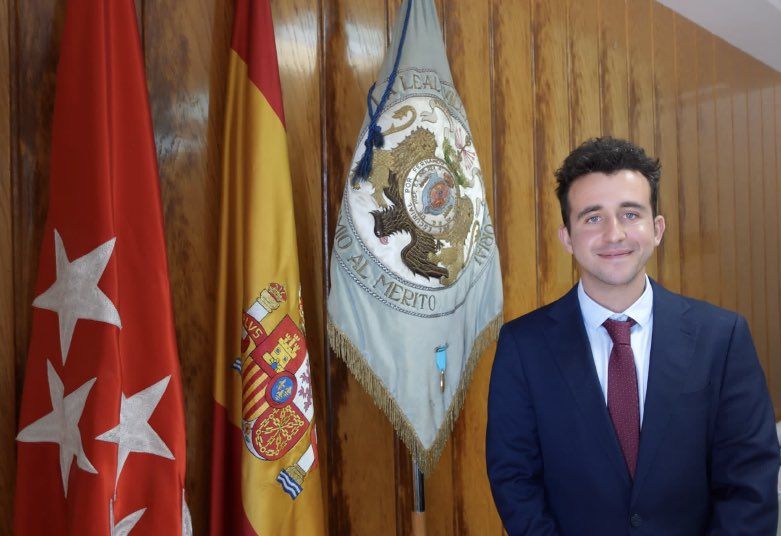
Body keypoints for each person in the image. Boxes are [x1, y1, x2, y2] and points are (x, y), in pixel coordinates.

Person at [486, 137, 780, 535]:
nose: (614, 234)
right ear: (567, 237)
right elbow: (515, 482)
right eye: (592, 217)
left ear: (657, 228)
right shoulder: (523, 347)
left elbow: (750, 484)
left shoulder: (722, 338)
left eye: (630, 214)